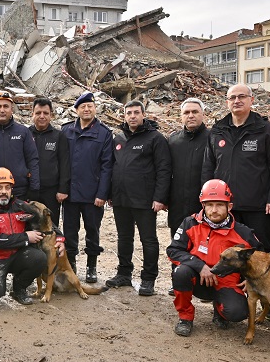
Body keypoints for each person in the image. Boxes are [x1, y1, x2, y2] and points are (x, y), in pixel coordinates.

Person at [167, 179, 263, 337]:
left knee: (237, 314)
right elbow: (173, 250)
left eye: (219, 204)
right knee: (180, 272)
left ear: (229, 206)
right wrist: (200, 266)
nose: (214, 210)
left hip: (228, 282)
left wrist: (253, 279)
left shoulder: (243, 232)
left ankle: (219, 311)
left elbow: (261, 258)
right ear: (203, 205)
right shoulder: (190, 224)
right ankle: (185, 318)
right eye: (209, 205)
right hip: (198, 278)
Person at [201, 84, 270, 253]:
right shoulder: (217, 131)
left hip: (258, 206)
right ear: (227, 102)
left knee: (260, 252)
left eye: (242, 97)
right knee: (226, 252)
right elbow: (208, 166)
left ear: (251, 100)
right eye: (232, 98)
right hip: (225, 205)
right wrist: (207, 200)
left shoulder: (266, 129)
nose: (237, 101)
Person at [107, 100, 171, 296]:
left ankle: (148, 278)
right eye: (129, 113)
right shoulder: (118, 138)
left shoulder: (155, 138)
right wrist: (110, 193)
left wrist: (160, 197)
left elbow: (164, 169)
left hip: (145, 200)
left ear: (144, 115)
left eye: (136, 112)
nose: (132, 116)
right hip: (120, 199)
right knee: (124, 238)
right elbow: (111, 167)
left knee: (148, 240)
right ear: (124, 116)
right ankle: (124, 273)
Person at [0, 168, 52, 305]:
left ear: (11, 189)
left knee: (39, 258)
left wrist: (60, 238)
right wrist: (25, 237)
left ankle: (18, 289)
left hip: (15, 255)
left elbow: (44, 218)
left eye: (7, 187)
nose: (4, 191)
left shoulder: (20, 205)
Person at [61, 91, 113, 282]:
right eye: (83, 106)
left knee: (93, 231)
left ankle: (92, 266)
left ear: (95, 109)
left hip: (93, 196)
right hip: (71, 195)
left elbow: (107, 166)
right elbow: (62, 163)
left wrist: (102, 193)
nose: (86, 109)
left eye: (90, 106)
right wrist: (62, 189)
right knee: (69, 232)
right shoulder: (66, 131)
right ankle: (71, 264)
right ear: (76, 110)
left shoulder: (104, 134)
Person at [167, 98, 210, 295]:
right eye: (186, 113)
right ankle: (178, 281)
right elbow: (166, 172)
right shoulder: (173, 140)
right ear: (181, 116)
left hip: (203, 205)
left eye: (195, 112)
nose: (190, 116)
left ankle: (204, 286)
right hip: (177, 204)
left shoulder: (212, 138)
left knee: (204, 245)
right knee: (178, 243)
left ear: (203, 114)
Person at [0, 90, 40, 201]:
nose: (2, 110)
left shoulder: (23, 132)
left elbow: (32, 160)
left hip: (20, 192)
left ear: (12, 109)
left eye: (6, 106)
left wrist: (34, 188)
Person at [29, 97, 70, 226]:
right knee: (30, 226)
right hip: (29, 190)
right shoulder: (25, 134)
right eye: (38, 113)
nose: (42, 116)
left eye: (45, 113)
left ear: (51, 115)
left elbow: (65, 163)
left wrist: (63, 189)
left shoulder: (59, 136)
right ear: (32, 114)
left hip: (51, 192)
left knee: (50, 226)